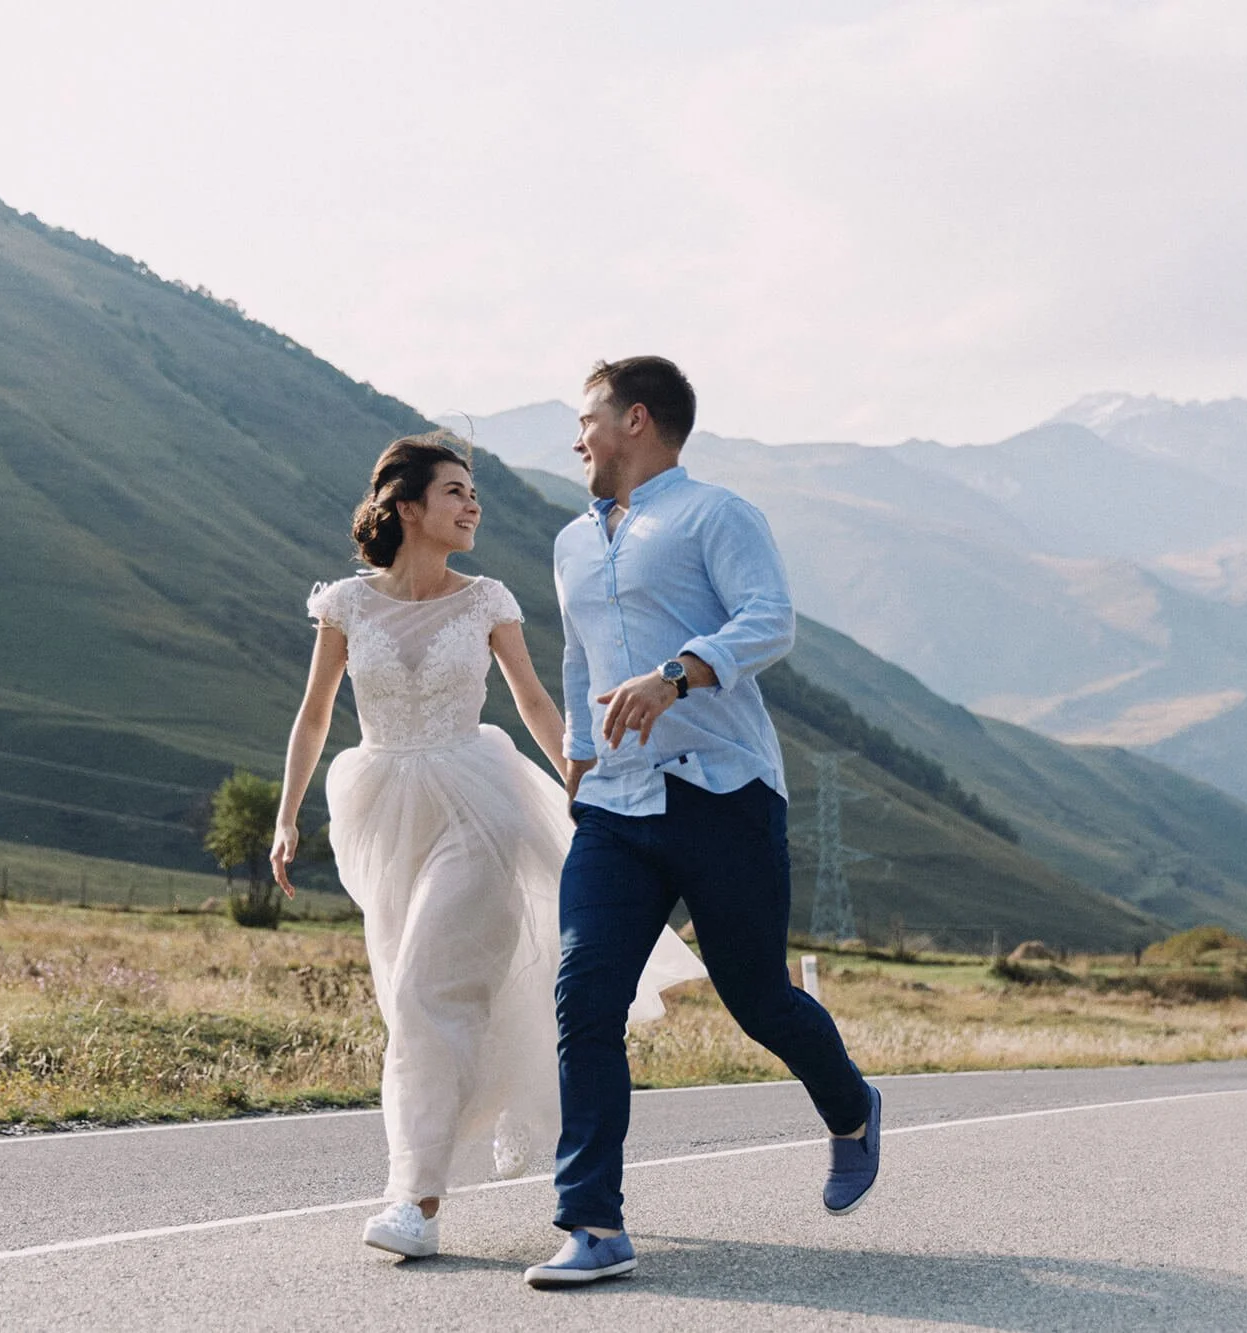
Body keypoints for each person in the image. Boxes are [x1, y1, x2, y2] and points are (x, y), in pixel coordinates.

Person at [269, 431, 702, 1262]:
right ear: (406, 507)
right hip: (384, 808)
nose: (473, 506)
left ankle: (415, 1201)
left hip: (479, 803)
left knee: (431, 987)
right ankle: (455, 1133)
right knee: (412, 1000)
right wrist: (287, 814)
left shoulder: (488, 600)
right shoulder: (347, 606)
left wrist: (585, 784)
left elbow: (538, 703)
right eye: (456, 492)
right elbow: (315, 715)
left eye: (474, 494)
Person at [523, 358, 882, 1290]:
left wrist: (677, 674)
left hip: (723, 791)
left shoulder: (717, 515)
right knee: (584, 1000)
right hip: (614, 808)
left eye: (587, 419)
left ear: (636, 420)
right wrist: (578, 760)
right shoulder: (570, 543)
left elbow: (771, 621)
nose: (577, 440)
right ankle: (592, 1221)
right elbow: (579, 657)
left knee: (758, 996)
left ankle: (850, 1108)